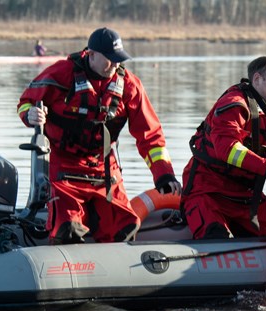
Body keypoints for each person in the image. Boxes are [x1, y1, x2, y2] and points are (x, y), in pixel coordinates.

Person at [17, 27, 179, 244]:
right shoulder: (62, 73)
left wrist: (163, 174)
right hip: (64, 170)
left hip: (104, 171)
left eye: (118, 59)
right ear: (91, 54)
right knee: (68, 229)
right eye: (110, 59)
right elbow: (25, 101)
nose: (115, 64)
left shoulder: (130, 86)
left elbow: (150, 136)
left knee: (125, 227)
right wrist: (30, 114)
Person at [181, 55, 266, 240]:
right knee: (216, 238)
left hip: (247, 200)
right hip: (208, 192)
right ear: (257, 79)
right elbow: (227, 149)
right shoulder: (233, 105)